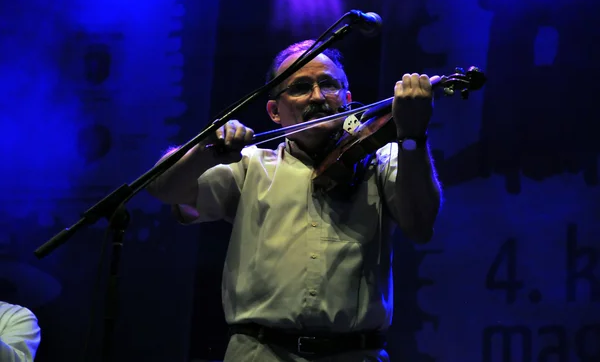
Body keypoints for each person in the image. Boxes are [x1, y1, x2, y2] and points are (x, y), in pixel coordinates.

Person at [148, 40, 442, 361]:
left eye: (328, 85)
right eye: (301, 87)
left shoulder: (382, 159)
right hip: (261, 353)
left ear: (347, 99)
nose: (317, 97)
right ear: (275, 111)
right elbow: (163, 188)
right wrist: (206, 149)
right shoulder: (249, 164)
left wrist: (413, 135)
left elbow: (421, 225)